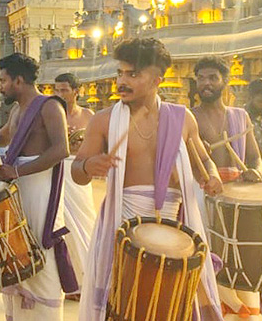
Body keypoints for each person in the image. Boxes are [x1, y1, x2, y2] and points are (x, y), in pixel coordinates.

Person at [71, 37, 224, 321]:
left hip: (175, 227)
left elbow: (203, 160)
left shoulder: (182, 118)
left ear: (156, 79)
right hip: (122, 226)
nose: (121, 82)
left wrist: (212, 176)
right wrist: (90, 165)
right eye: (120, 73)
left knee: (174, 306)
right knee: (122, 306)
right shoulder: (103, 120)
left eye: (133, 74)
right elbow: (76, 172)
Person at [0, 53, 71, 320]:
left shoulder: (49, 107)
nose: (0, 86)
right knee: (16, 249)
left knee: (39, 251)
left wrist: (16, 170)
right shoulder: (17, 110)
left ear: (19, 80)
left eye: (3, 80)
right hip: (18, 190)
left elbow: (61, 149)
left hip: (39, 191)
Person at [191, 56, 262, 316]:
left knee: (241, 260)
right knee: (209, 261)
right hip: (203, 198)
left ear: (225, 81)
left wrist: (256, 172)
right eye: (201, 78)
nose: (206, 83)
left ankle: (242, 311)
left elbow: (256, 158)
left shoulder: (240, 116)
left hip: (238, 199)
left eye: (212, 77)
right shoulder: (189, 118)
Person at [51, 72, 96, 301]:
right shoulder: (50, 114)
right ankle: (70, 283)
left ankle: (89, 280)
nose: (59, 94)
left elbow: (100, 146)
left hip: (80, 174)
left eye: (64, 90)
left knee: (85, 224)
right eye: (56, 90)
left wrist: (82, 145)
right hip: (57, 172)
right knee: (62, 226)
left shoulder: (89, 116)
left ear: (76, 91)